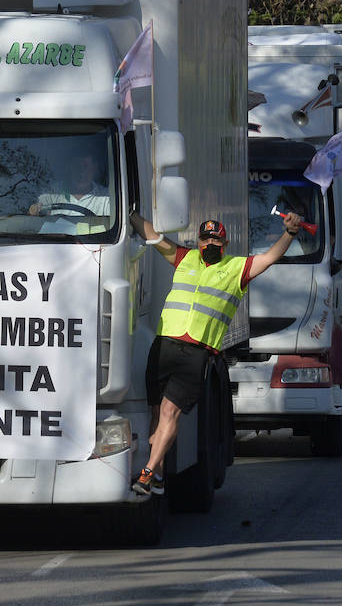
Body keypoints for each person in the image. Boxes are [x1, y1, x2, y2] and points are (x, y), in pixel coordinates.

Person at [128, 207, 303, 496]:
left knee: (171, 412)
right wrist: (130, 215)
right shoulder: (184, 258)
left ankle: (147, 473)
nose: (210, 245)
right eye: (205, 240)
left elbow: (270, 257)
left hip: (196, 352)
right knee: (156, 416)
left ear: (225, 245)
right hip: (164, 346)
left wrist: (290, 233)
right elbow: (153, 236)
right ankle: (157, 476)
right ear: (198, 242)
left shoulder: (236, 269)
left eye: (216, 242)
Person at [29, 153, 113, 222]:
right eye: (77, 166)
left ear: (94, 169)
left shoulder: (106, 198)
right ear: (69, 168)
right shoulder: (51, 193)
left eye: (85, 166)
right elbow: (33, 220)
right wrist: (34, 211)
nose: (82, 171)